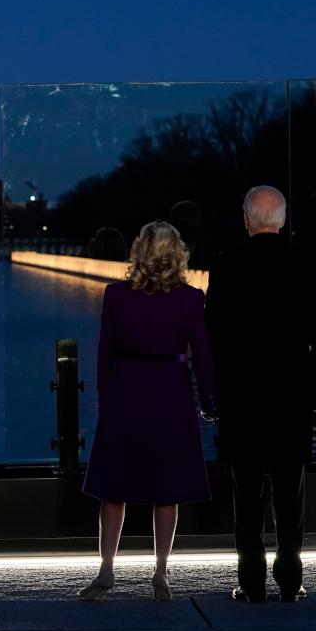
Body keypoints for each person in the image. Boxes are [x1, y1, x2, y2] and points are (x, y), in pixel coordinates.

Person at [205, 185, 316, 604]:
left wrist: (215, 393)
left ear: (246, 219)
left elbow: (213, 337)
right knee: (289, 491)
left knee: (246, 494)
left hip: (241, 395)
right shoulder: (309, 266)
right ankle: (291, 578)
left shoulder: (225, 267)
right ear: (283, 220)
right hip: (290, 395)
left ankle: (252, 578)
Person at [80, 220, 215, 601]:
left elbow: (104, 353)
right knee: (166, 489)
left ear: (138, 250)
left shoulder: (116, 295)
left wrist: (105, 401)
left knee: (113, 489)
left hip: (126, 389)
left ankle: (106, 570)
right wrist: (209, 400)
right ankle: (160, 572)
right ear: (177, 254)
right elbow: (202, 356)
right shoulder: (191, 299)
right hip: (170, 391)